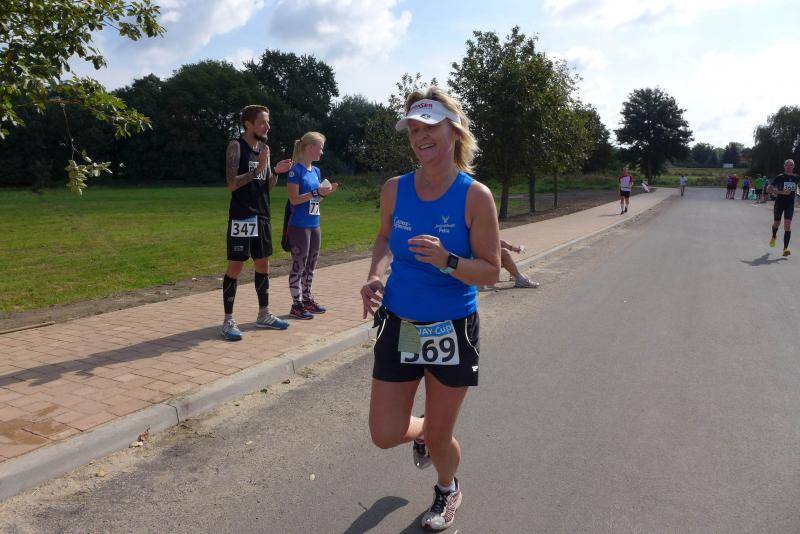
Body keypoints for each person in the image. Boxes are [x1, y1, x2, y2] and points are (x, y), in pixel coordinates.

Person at [360, 87, 500, 531]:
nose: (420, 137)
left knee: (441, 437)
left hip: (451, 327)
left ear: (453, 131)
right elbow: (385, 239)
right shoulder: (394, 189)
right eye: (413, 130)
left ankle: (447, 487)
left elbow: (491, 270)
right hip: (400, 321)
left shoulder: (475, 196)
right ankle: (423, 430)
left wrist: (448, 260)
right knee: (384, 433)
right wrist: (376, 274)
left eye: (429, 127)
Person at [221, 105, 293, 341]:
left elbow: (267, 185)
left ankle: (264, 314)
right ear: (248, 124)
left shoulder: (264, 149)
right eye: (263, 122)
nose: (267, 126)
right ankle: (228, 320)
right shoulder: (236, 146)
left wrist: (275, 171)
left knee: (263, 265)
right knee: (236, 266)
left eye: (268, 122)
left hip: (262, 215)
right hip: (242, 216)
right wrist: (259, 168)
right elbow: (232, 184)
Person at [285, 132, 339, 319]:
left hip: (314, 224)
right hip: (299, 226)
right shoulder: (295, 171)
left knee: (311, 264)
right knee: (299, 264)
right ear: (310, 147)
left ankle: (307, 299)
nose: (322, 152)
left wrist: (324, 194)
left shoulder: (316, 171)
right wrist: (316, 191)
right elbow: (294, 199)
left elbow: (315, 200)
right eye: (320, 148)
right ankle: (296, 304)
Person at [767, 159, 799, 257]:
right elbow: (769, 189)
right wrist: (781, 192)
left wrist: (797, 192)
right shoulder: (780, 177)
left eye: (791, 165)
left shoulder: (796, 177)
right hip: (779, 203)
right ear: (784, 166)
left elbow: (797, 188)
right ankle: (774, 236)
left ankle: (785, 249)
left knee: (787, 225)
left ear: (793, 166)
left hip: (790, 204)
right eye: (787, 165)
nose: (789, 167)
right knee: (776, 223)